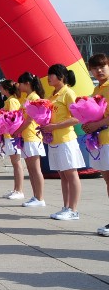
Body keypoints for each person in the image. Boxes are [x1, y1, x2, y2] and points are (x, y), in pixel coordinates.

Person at [40, 64, 84, 221]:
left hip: (66, 140)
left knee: (71, 174)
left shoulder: (68, 93)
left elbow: (77, 117)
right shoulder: (51, 96)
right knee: (63, 176)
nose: (48, 78)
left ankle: (73, 210)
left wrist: (55, 126)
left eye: (51, 74)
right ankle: (66, 207)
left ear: (61, 76)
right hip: (54, 140)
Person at [81, 54, 109, 235]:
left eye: (102, 66)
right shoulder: (96, 90)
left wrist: (96, 125)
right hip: (101, 141)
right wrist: (87, 124)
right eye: (94, 68)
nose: (98, 70)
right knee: (107, 181)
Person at [16, 72, 46, 208]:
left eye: (20, 83)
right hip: (26, 136)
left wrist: (17, 130)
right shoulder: (27, 97)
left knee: (35, 168)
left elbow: (29, 120)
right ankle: (35, 196)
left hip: (33, 136)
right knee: (31, 168)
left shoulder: (34, 97)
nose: (19, 86)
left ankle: (40, 197)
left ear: (27, 84)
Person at [0, 80, 25, 200]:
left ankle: (19, 190)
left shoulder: (12, 101)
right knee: (14, 164)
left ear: (6, 89)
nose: (0, 90)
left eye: (1, 88)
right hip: (8, 135)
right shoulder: (9, 100)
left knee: (17, 163)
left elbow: (14, 118)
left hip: (12, 136)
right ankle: (16, 189)